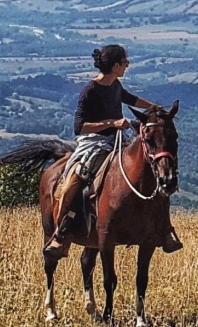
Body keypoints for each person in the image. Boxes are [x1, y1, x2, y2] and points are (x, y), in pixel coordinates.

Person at [53, 44, 171, 246]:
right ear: (116, 65)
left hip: (117, 138)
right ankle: (62, 230)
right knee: (76, 178)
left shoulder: (115, 84)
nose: (127, 66)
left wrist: (153, 107)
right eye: (125, 63)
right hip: (93, 143)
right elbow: (79, 127)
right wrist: (112, 123)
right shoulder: (89, 90)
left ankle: (165, 229)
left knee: (151, 169)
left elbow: (129, 99)